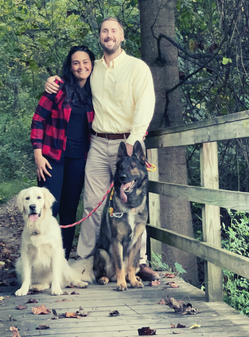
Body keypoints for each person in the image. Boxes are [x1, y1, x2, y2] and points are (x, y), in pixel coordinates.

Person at [45, 18, 159, 281]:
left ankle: (138, 263)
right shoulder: (91, 67)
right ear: (100, 37)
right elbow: (70, 80)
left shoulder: (136, 67)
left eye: (114, 31)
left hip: (127, 146)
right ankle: (84, 262)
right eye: (104, 31)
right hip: (97, 142)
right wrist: (51, 82)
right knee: (93, 205)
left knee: (133, 203)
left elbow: (145, 104)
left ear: (122, 36)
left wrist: (135, 138)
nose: (109, 35)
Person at [31, 45, 95, 260]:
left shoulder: (97, 91)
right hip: (52, 158)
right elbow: (39, 118)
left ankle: (62, 261)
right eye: (76, 62)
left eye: (85, 62)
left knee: (69, 213)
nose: (81, 66)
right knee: (48, 209)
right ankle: (39, 260)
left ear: (92, 65)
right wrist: (38, 154)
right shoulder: (58, 88)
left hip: (79, 159)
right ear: (70, 66)